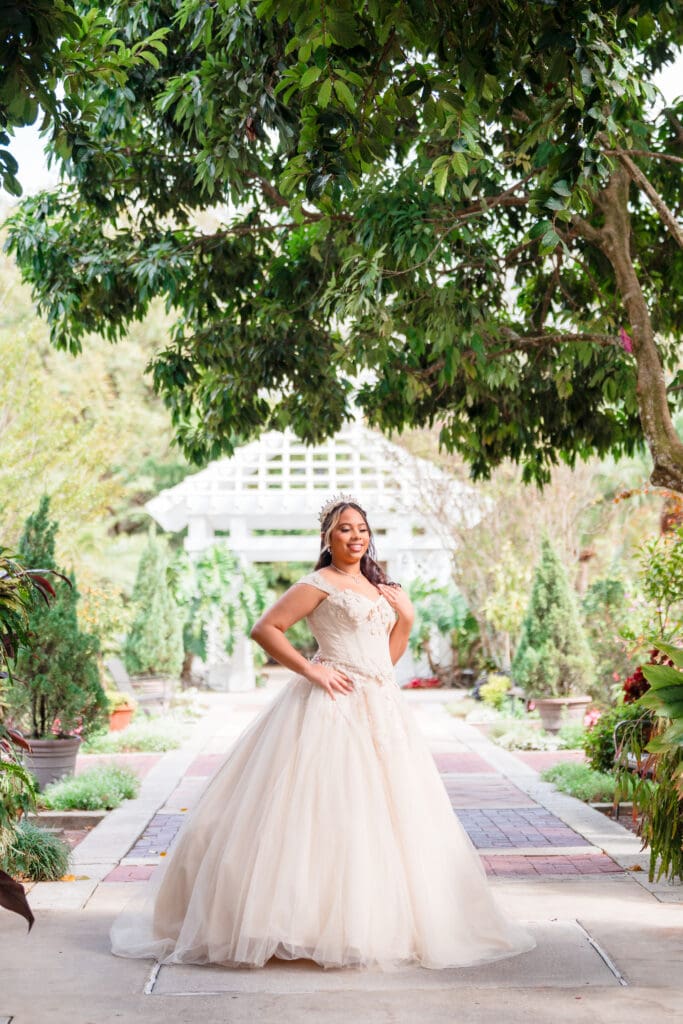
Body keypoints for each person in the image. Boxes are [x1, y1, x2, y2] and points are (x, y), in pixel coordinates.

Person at [110, 495, 535, 969]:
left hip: (383, 708)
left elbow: (384, 660)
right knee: (326, 812)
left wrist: (407, 619)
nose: (356, 536)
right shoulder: (319, 583)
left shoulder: (382, 588)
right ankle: (298, 925)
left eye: (362, 529)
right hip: (331, 707)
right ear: (328, 538)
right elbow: (265, 628)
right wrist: (312, 673)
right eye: (345, 529)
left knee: (389, 818)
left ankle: (380, 925)